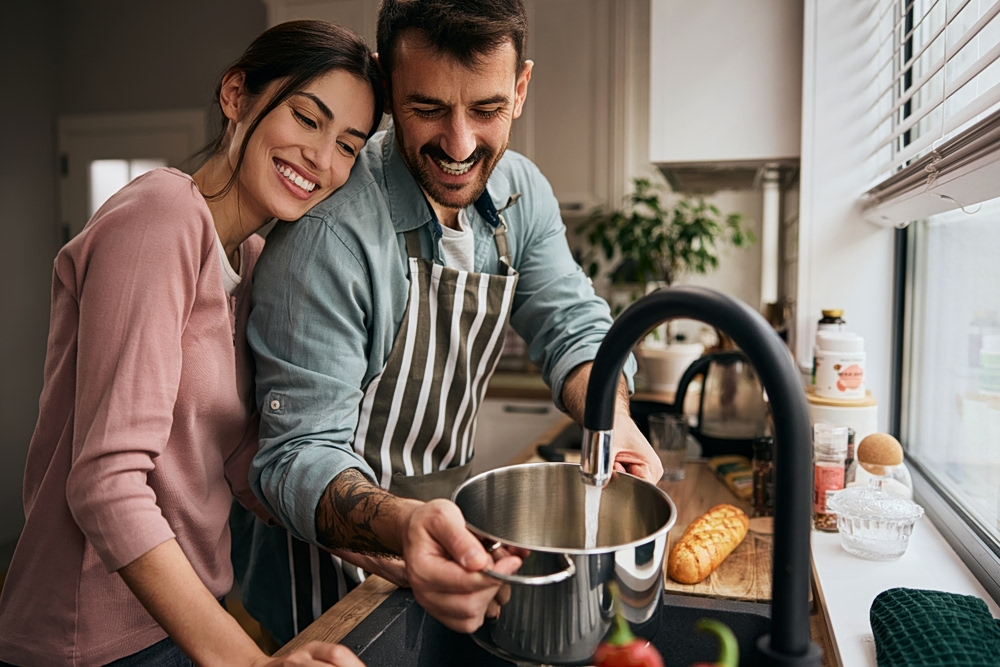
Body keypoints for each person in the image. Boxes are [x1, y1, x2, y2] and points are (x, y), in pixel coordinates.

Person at [235, 0, 664, 647]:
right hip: (326, 579)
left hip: (446, 542)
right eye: (429, 108)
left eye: (486, 109)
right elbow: (297, 453)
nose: (460, 146)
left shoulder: (520, 195)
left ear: (520, 88)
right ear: (386, 87)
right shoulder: (331, 237)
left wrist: (613, 417)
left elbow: (571, 324)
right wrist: (408, 524)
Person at [0, 20, 384, 666]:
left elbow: (245, 463)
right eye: (306, 118)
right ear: (236, 95)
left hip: (178, 622)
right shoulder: (162, 215)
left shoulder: (254, 259)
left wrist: (387, 543)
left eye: (348, 144)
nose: (323, 159)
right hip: (89, 641)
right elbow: (105, 483)